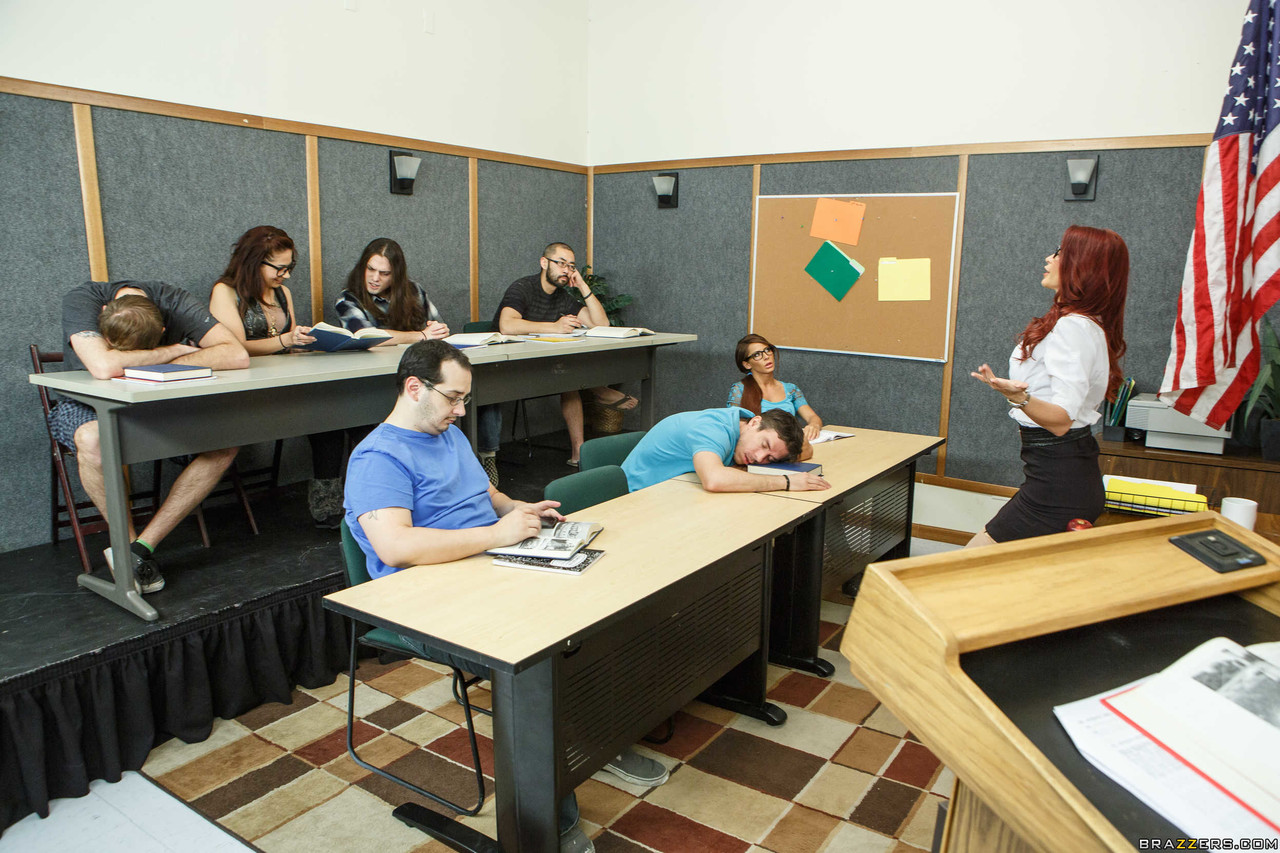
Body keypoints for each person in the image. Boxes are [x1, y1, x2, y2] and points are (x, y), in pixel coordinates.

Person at [344, 341, 668, 852]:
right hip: (428, 602)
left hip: (488, 567)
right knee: (541, 653)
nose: (460, 411)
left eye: (464, 400)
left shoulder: (445, 433)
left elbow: (484, 496)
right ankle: (550, 828)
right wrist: (499, 536)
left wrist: (520, 509)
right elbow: (396, 546)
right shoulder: (378, 458)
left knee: (605, 609)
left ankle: (594, 739)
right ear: (414, 388)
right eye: (453, 398)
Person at [55, 281, 250, 592]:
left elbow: (237, 355)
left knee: (226, 440)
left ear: (162, 327)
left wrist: (140, 362)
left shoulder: (174, 300)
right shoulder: (84, 299)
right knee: (92, 439)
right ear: (104, 316)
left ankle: (139, 550)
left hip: (157, 399)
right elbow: (104, 366)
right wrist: (171, 351)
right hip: (85, 403)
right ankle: (125, 543)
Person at [967, 225, 1128, 547]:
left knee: (965, 568)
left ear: (1081, 266)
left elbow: (1061, 420)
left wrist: (1018, 397)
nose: (1049, 258)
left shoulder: (1073, 328)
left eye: (1059, 253)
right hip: (1060, 477)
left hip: (1059, 486)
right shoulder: (1085, 323)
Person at [208, 226, 348, 528]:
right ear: (253, 261)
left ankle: (328, 505)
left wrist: (309, 340)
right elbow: (234, 347)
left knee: (331, 416)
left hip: (286, 382)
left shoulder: (282, 293)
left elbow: (291, 341)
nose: (285, 276)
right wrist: (286, 341)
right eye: (279, 268)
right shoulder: (225, 292)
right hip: (244, 388)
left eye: (289, 267)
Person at [494, 242, 638, 467]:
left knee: (567, 378)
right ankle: (596, 390)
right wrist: (554, 327)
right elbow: (507, 325)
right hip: (506, 366)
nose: (566, 270)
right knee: (566, 376)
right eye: (561, 263)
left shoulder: (563, 297)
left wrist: (581, 285)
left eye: (571, 266)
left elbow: (601, 324)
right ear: (544, 263)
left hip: (545, 365)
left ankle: (579, 453)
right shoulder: (522, 287)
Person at [621, 407, 831, 494]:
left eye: (769, 458)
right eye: (764, 445)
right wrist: (785, 482)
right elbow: (714, 480)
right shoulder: (713, 428)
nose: (758, 458)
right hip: (633, 501)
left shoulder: (743, 424)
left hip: (673, 494)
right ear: (755, 422)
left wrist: (776, 452)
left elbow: (806, 450)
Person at [334, 237, 451, 346]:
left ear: (396, 275)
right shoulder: (348, 299)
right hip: (376, 366)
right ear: (362, 267)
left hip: (417, 363)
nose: (375, 278)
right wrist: (423, 335)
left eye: (384, 273)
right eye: (370, 269)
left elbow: (438, 328)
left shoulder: (414, 290)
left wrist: (438, 330)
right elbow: (366, 337)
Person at [728, 333, 822, 460]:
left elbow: (812, 417)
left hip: (787, 450)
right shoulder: (739, 390)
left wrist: (814, 426)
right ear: (747, 364)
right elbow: (733, 426)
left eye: (767, 350)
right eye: (757, 355)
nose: (766, 357)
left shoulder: (790, 389)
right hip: (760, 457)